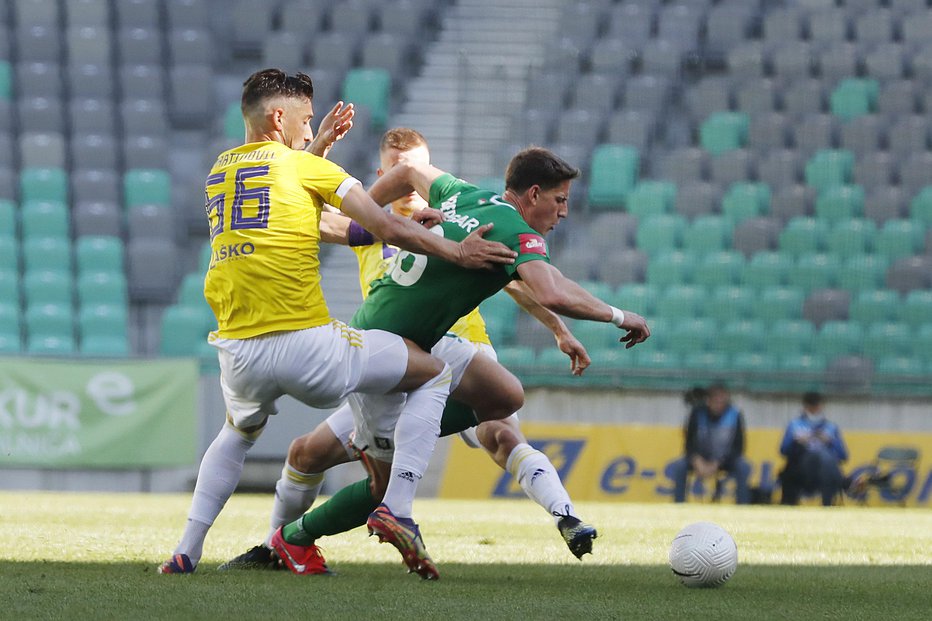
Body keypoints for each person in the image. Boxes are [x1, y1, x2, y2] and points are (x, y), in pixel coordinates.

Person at [158, 69, 517, 575]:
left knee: (237, 434)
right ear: (279, 117)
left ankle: (186, 551)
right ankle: (399, 505)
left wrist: (318, 147)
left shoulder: (221, 171)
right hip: (309, 345)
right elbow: (380, 225)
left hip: (239, 352)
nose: (310, 131)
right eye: (306, 121)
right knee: (432, 370)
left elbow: (314, 208)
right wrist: (457, 250)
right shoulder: (311, 171)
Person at [220, 128, 606, 576]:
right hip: (388, 357)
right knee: (306, 454)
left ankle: (566, 516)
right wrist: (315, 153)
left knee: (500, 429)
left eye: (418, 164)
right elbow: (315, 219)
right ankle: (279, 547)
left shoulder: (459, 215)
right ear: (383, 174)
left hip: (457, 347)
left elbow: (520, 277)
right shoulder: (369, 225)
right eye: (398, 168)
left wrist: (558, 327)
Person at [669, 384, 751, 504]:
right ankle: (679, 504)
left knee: (743, 467)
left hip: (725, 461)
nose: (718, 404)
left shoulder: (735, 415)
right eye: (715, 400)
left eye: (722, 400)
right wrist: (697, 460)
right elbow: (689, 443)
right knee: (680, 465)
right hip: (700, 460)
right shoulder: (697, 413)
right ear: (708, 400)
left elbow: (738, 447)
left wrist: (717, 463)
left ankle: (743, 505)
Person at [779, 392, 848, 506]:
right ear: (805, 407)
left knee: (825, 458)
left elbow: (843, 455)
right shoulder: (795, 425)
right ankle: (844, 483)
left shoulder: (830, 427)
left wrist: (831, 441)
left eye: (816, 406)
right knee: (820, 456)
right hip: (801, 467)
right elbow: (783, 450)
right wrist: (796, 441)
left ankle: (828, 502)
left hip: (824, 470)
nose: (814, 410)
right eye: (811, 406)